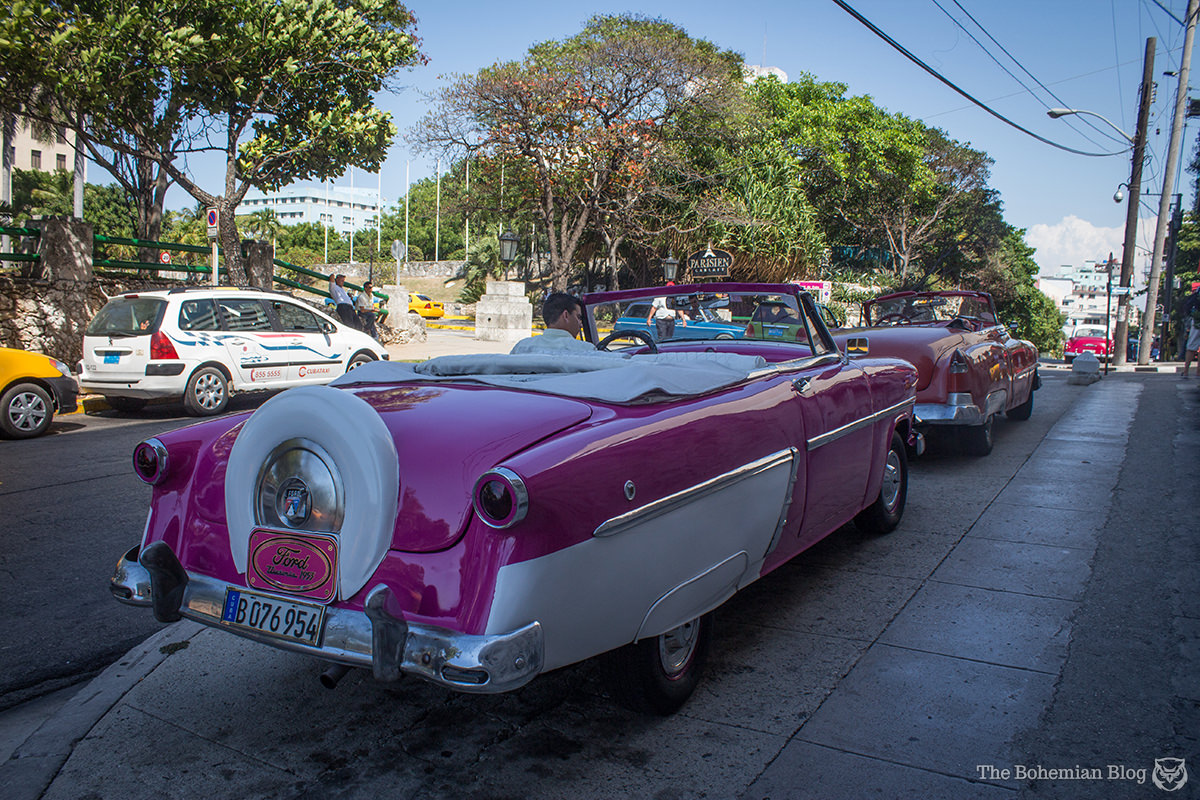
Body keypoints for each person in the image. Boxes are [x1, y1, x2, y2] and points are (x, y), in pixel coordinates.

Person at [511, 292, 598, 354]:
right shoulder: (586, 350)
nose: (581, 324)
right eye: (579, 317)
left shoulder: (521, 347)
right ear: (566, 315)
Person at [1181, 287, 1200, 378]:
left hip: (1196, 320)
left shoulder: (1197, 292)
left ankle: (1186, 371)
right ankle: (1198, 372)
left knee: (1191, 346)